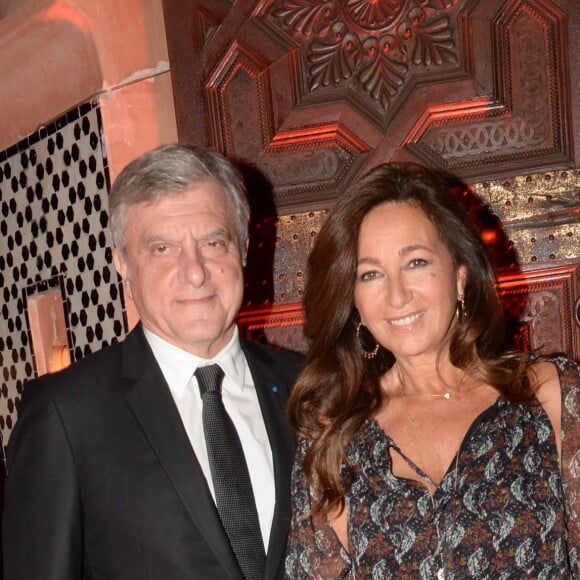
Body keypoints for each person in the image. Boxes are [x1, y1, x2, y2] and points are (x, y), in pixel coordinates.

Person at [3, 144, 303, 580]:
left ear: (242, 248)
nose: (195, 271)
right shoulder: (67, 416)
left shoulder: (309, 389)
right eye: (162, 249)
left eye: (212, 242)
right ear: (123, 263)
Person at [284, 162, 579, 578]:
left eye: (416, 263)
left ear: (460, 277)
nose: (397, 294)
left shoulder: (550, 397)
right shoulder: (335, 437)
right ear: (355, 303)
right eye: (370, 274)